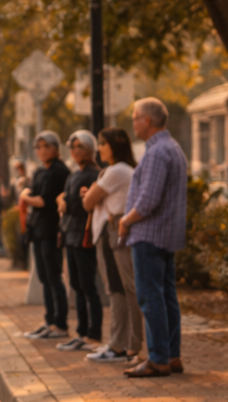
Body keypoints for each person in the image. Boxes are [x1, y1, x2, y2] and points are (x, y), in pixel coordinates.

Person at [119, 97, 189, 378]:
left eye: (135, 117)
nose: (133, 122)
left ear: (146, 121)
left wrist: (125, 220)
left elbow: (147, 201)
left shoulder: (158, 152)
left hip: (149, 235)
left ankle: (158, 358)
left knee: (150, 297)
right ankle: (171, 356)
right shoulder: (173, 148)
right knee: (166, 295)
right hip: (165, 235)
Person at [83, 127, 143, 364]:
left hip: (114, 230)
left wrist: (88, 195)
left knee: (119, 289)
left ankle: (121, 346)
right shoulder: (121, 170)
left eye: (103, 143)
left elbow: (88, 202)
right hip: (113, 230)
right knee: (121, 288)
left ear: (114, 146)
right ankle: (123, 343)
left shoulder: (117, 170)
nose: (99, 148)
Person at [17, 132, 71, 340]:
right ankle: (49, 321)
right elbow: (31, 192)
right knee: (44, 278)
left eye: (44, 146)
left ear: (55, 148)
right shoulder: (40, 171)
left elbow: (42, 201)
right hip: (37, 230)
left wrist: (26, 197)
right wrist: (27, 195)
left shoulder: (59, 171)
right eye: (37, 147)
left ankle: (60, 323)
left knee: (54, 276)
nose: (40, 150)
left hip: (51, 230)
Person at [54, 130, 102, 352]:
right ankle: (81, 331)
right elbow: (65, 198)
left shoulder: (94, 174)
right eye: (72, 148)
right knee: (76, 284)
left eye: (79, 147)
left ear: (90, 150)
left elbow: (73, 203)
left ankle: (94, 333)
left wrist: (65, 202)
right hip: (70, 234)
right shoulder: (74, 175)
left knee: (87, 284)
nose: (74, 152)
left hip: (84, 235)